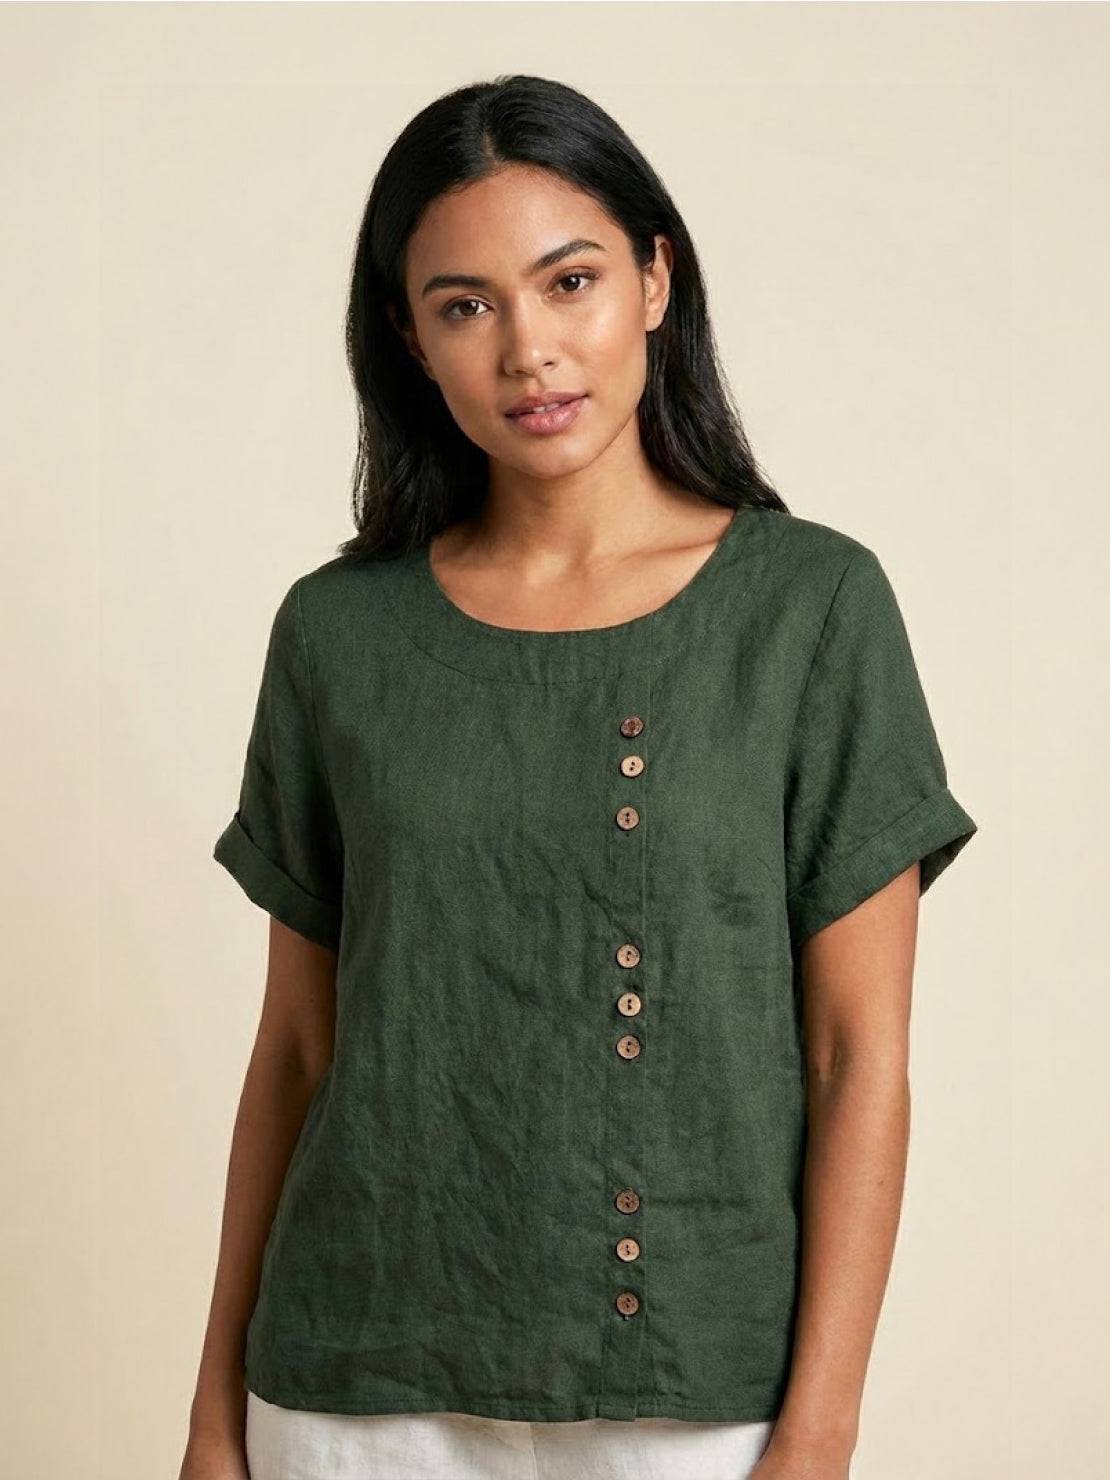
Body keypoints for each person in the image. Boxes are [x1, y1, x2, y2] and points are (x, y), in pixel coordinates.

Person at [179, 74, 977, 1480]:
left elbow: (859, 1056)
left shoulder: (809, 610)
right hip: (351, 1398)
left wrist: (819, 1434)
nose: (529, 351)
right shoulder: (337, 634)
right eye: (465, 305)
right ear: (410, 340)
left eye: (570, 281)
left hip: (693, 1402)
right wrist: (210, 1420)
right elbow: (296, 1050)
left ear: (654, 281)